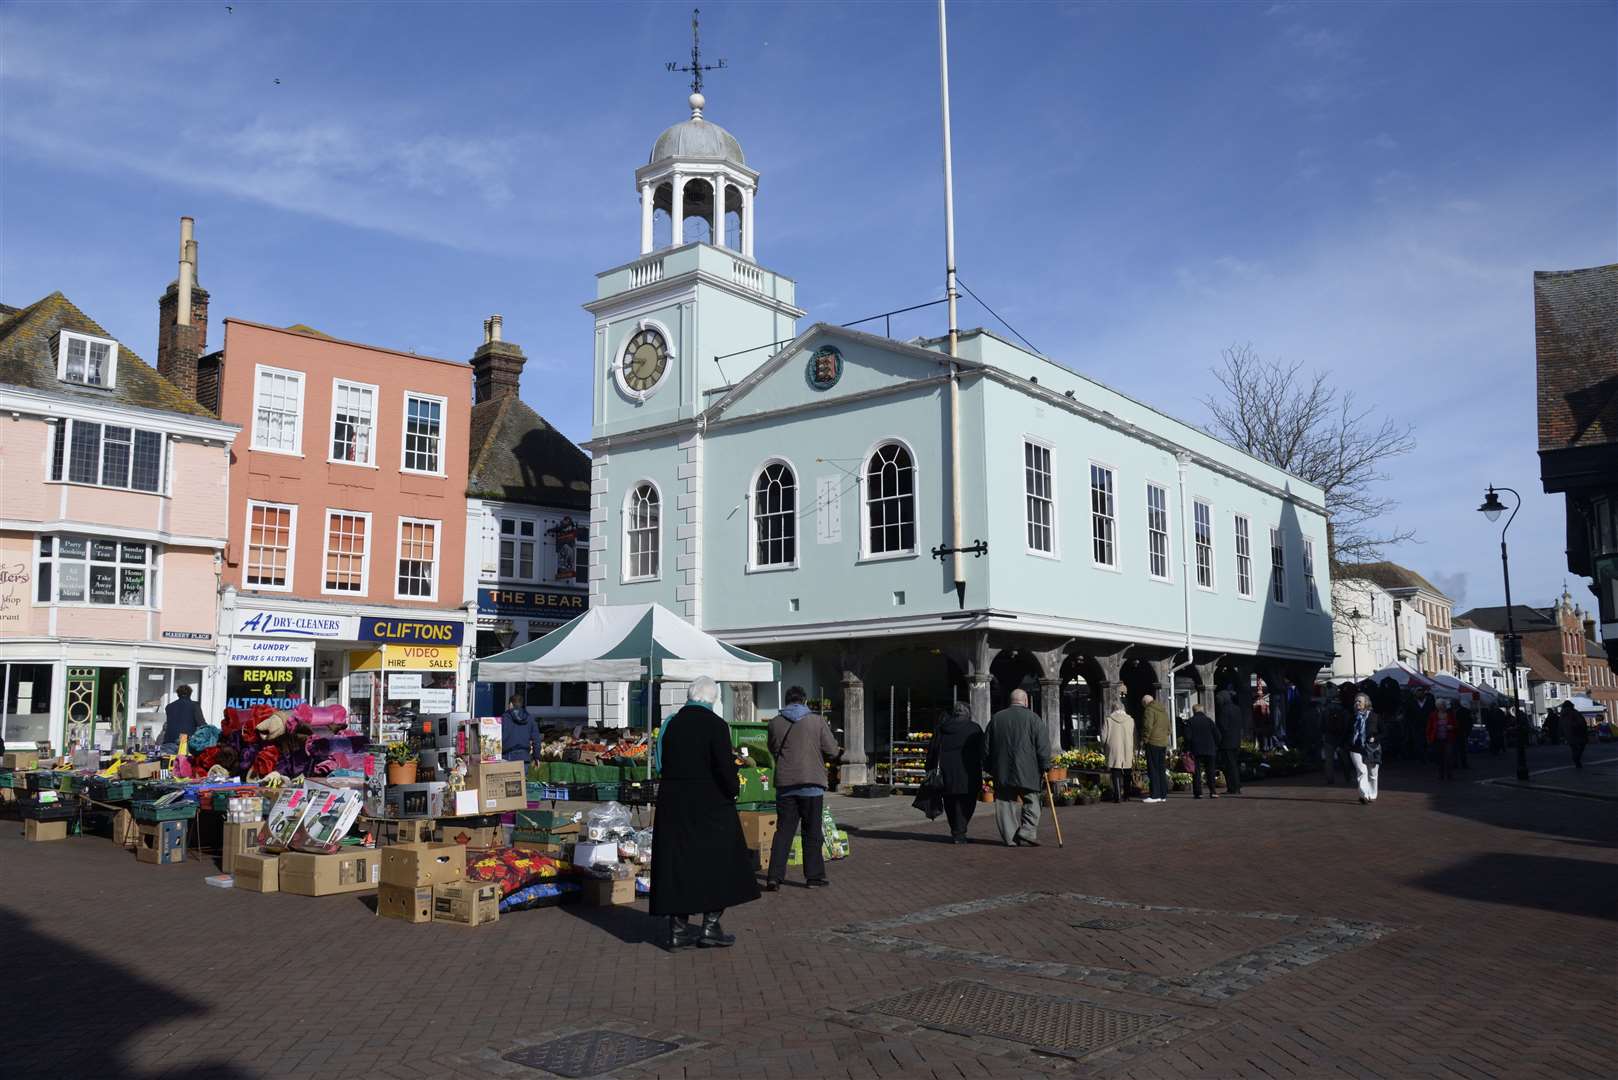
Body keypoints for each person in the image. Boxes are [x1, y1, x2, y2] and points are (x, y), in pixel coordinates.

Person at [648, 677, 760, 949]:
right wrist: (734, 787)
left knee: (677, 864)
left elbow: (661, 763)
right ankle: (710, 925)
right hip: (711, 806)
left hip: (673, 805)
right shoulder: (716, 725)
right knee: (720, 864)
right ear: (712, 699)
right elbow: (724, 767)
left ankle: (677, 929)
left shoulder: (670, 724)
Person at [764, 686, 840, 889]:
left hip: (786, 784)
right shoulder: (817, 721)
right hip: (812, 784)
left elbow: (772, 748)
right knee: (811, 831)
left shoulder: (775, 722)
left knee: (783, 832)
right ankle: (814, 877)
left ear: (787, 701)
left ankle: (774, 876)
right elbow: (832, 750)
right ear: (804, 701)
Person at [984, 689, 1050, 846]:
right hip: (1029, 770)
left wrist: (989, 767)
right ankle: (1027, 831)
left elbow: (986, 747)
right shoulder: (1034, 719)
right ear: (1025, 701)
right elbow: (1043, 746)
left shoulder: (996, 719)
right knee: (1032, 800)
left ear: (1011, 701)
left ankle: (1010, 838)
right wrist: (1045, 765)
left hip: (1003, 769)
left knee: (1005, 803)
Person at [915, 702, 984, 843]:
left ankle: (956, 830)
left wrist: (929, 768)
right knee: (967, 803)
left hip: (946, 773)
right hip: (968, 773)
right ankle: (960, 831)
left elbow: (933, 750)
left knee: (950, 802)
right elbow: (982, 751)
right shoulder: (974, 729)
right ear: (968, 713)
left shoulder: (941, 729)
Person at [1347, 693, 1382, 805]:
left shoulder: (1375, 716)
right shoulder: (1352, 717)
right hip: (1355, 747)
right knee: (1362, 771)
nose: (1357, 703)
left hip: (1372, 748)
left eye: (1359, 701)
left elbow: (1385, 732)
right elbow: (1346, 732)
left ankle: (1372, 794)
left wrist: (1375, 738)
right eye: (1356, 701)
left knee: (1372, 773)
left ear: (1366, 703)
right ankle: (1364, 795)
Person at [1101, 701, 1135, 803]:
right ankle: (1127, 795)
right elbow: (1135, 735)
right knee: (1127, 771)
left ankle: (1117, 796)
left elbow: (1103, 737)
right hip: (1127, 747)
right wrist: (1135, 747)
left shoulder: (1108, 720)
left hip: (1114, 748)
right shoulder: (1130, 720)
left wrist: (1103, 746)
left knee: (1115, 771)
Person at [1183, 704, 1220, 799]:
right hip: (1210, 749)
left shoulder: (1190, 721)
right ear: (1203, 711)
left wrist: (1187, 749)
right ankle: (1213, 791)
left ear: (1193, 711)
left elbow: (1187, 737)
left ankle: (1198, 792)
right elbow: (1217, 735)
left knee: (1196, 771)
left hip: (1196, 749)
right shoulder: (1209, 720)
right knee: (1210, 771)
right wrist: (1215, 745)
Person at [1140, 693, 1171, 803]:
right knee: (1161, 769)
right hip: (1163, 743)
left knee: (1152, 769)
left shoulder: (1149, 710)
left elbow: (1147, 726)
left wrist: (1145, 739)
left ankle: (1154, 795)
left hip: (1153, 742)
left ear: (1145, 703)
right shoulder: (1163, 711)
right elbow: (1169, 728)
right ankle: (1163, 794)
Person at [1215, 688, 1244, 795]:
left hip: (1226, 742)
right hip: (1236, 741)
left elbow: (1222, 726)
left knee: (1229, 766)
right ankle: (1236, 786)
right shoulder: (1237, 708)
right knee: (1234, 765)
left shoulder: (1224, 710)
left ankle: (1233, 787)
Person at [159, 684, 205, 748]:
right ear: (190, 694)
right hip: (184, 742)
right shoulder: (194, 705)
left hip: (169, 742)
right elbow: (202, 724)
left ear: (178, 694)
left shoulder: (169, 706)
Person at [499, 693, 536, 763]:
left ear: (510, 704)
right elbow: (536, 739)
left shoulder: (504, 718)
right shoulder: (530, 718)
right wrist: (536, 756)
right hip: (524, 757)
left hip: (508, 757)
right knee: (523, 774)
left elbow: (496, 738)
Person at [1323, 694, 1350, 785]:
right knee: (1344, 759)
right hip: (1341, 739)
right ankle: (1348, 777)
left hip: (1328, 738)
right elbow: (1347, 726)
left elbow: (1321, 724)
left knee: (1329, 760)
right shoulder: (1344, 711)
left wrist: (1323, 735)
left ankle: (1330, 779)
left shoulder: (1326, 710)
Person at [1427, 698, 1457, 781]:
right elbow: (1429, 727)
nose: (1442, 707)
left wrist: (1452, 727)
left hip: (1448, 739)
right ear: (1437, 706)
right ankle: (1440, 774)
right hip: (1437, 739)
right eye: (1440, 706)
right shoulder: (1433, 715)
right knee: (1439, 757)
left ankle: (1449, 774)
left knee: (1448, 757)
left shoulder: (1450, 714)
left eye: (1443, 705)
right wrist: (1429, 738)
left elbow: (1456, 725)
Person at [1562, 701, 1589, 769]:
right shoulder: (1574, 712)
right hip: (1577, 733)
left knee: (1574, 748)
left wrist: (1562, 734)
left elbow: (1560, 725)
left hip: (1568, 734)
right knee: (1581, 746)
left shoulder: (1562, 715)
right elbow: (1581, 722)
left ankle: (1576, 761)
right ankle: (1577, 760)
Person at [1456, 703, 1475, 769]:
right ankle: (1458, 763)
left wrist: (1467, 732)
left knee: (1462, 749)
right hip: (1457, 732)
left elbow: (1470, 722)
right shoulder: (1451, 711)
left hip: (1461, 732)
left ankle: (1462, 763)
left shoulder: (1465, 711)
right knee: (1460, 749)